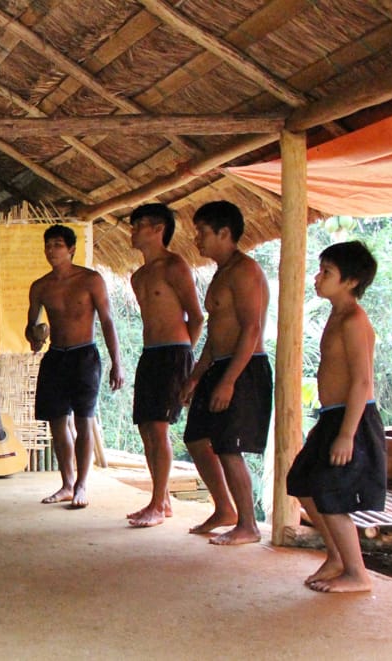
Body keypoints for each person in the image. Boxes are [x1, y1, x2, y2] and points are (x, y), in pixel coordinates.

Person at [289, 241, 384, 591]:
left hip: (353, 418)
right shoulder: (336, 314)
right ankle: (336, 557)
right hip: (332, 415)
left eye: (326, 272)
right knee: (301, 481)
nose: (318, 278)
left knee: (330, 492)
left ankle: (357, 574)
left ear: (351, 281)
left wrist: (347, 433)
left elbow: (362, 381)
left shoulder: (355, 320)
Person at [181, 201, 271, 545]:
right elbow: (216, 334)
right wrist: (195, 376)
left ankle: (248, 525)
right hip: (219, 364)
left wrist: (229, 381)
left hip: (243, 366)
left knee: (228, 447)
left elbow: (251, 329)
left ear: (225, 233)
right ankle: (224, 509)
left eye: (203, 232)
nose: (197, 239)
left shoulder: (245, 270)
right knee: (196, 437)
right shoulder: (221, 272)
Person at [27, 224, 124, 508]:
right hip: (56, 356)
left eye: (57, 245)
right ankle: (67, 484)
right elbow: (31, 328)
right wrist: (36, 336)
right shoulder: (40, 287)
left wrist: (117, 363)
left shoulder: (91, 280)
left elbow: (107, 321)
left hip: (84, 355)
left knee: (83, 422)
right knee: (57, 424)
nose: (51, 250)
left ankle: (82, 485)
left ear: (71, 249)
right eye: (48, 245)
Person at [126, 204, 202, 528]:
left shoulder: (175, 265)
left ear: (159, 229)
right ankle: (164, 499)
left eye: (140, 224)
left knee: (158, 428)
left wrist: (187, 359)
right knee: (145, 428)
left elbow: (196, 317)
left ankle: (156, 504)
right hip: (150, 354)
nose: (133, 230)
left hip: (174, 353)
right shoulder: (137, 276)